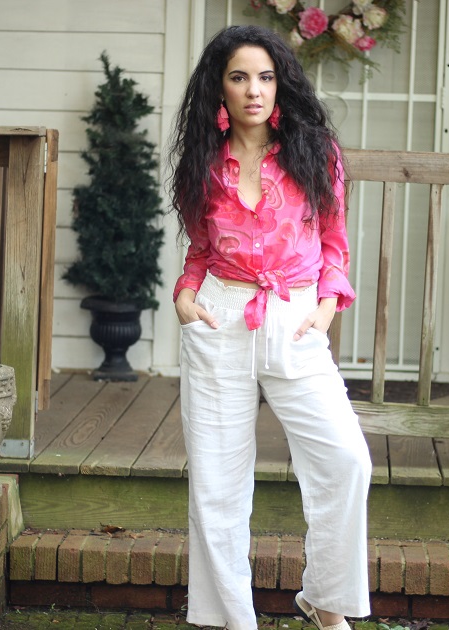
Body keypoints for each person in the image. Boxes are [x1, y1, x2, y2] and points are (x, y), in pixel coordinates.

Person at [167, 24, 372, 630]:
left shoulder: (315, 153)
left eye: (264, 76)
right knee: (216, 484)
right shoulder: (204, 161)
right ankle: (232, 619)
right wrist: (184, 294)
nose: (253, 90)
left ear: (280, 84)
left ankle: (327, 601)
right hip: (219, 316)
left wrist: (328, 306)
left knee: (345, 461)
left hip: (296, 318)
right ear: (220, 89)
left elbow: (334, 245)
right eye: (238, 77)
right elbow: (200, 250)